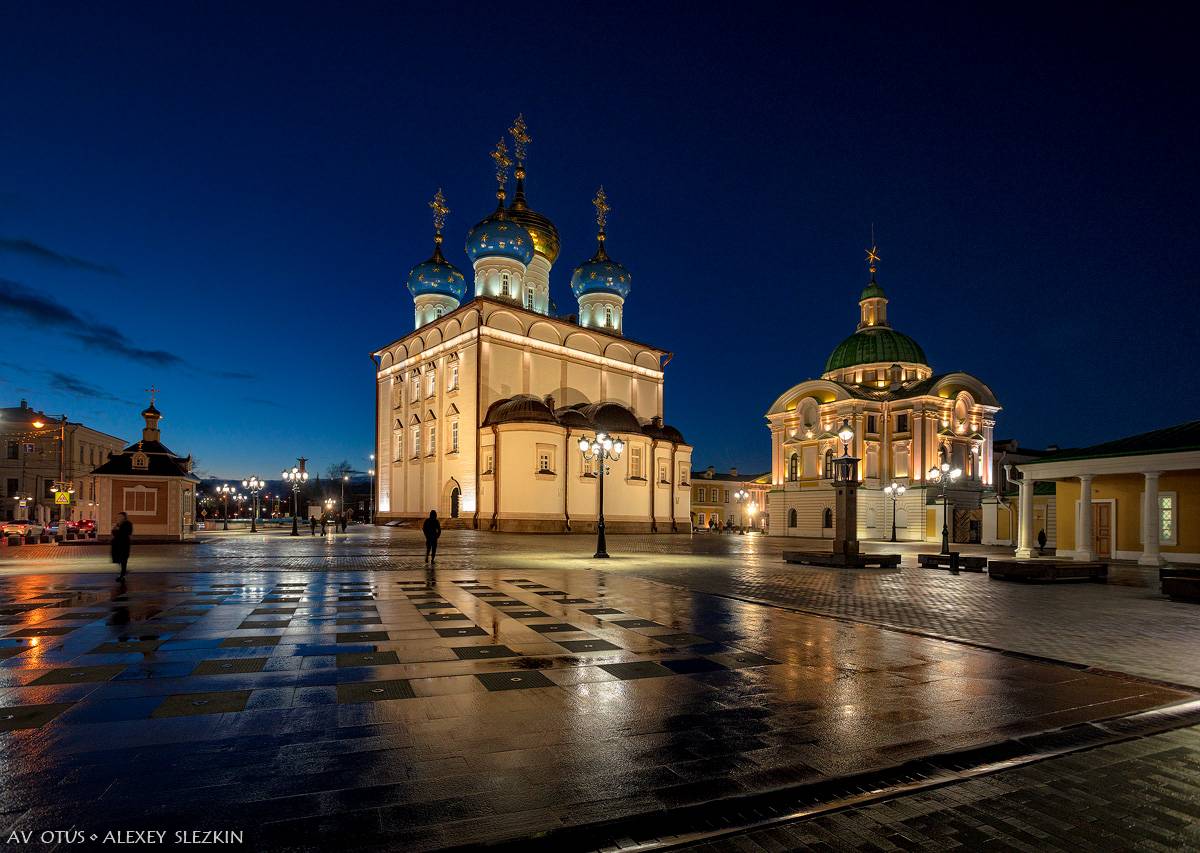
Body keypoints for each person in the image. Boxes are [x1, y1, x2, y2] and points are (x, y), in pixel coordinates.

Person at [111, 512, 133, 581]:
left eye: (120, 516)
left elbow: (127, 532)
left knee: (123, 560)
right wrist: (116, 528)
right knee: (118, 560)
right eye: (118, 516)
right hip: (117, 545)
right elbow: (113, 532)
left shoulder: (128, 524)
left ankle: (122, 575)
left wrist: (118, 530)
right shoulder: (118, 524)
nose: (119, 518)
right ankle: (124, 572)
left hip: (124, 545)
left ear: (124, 517)